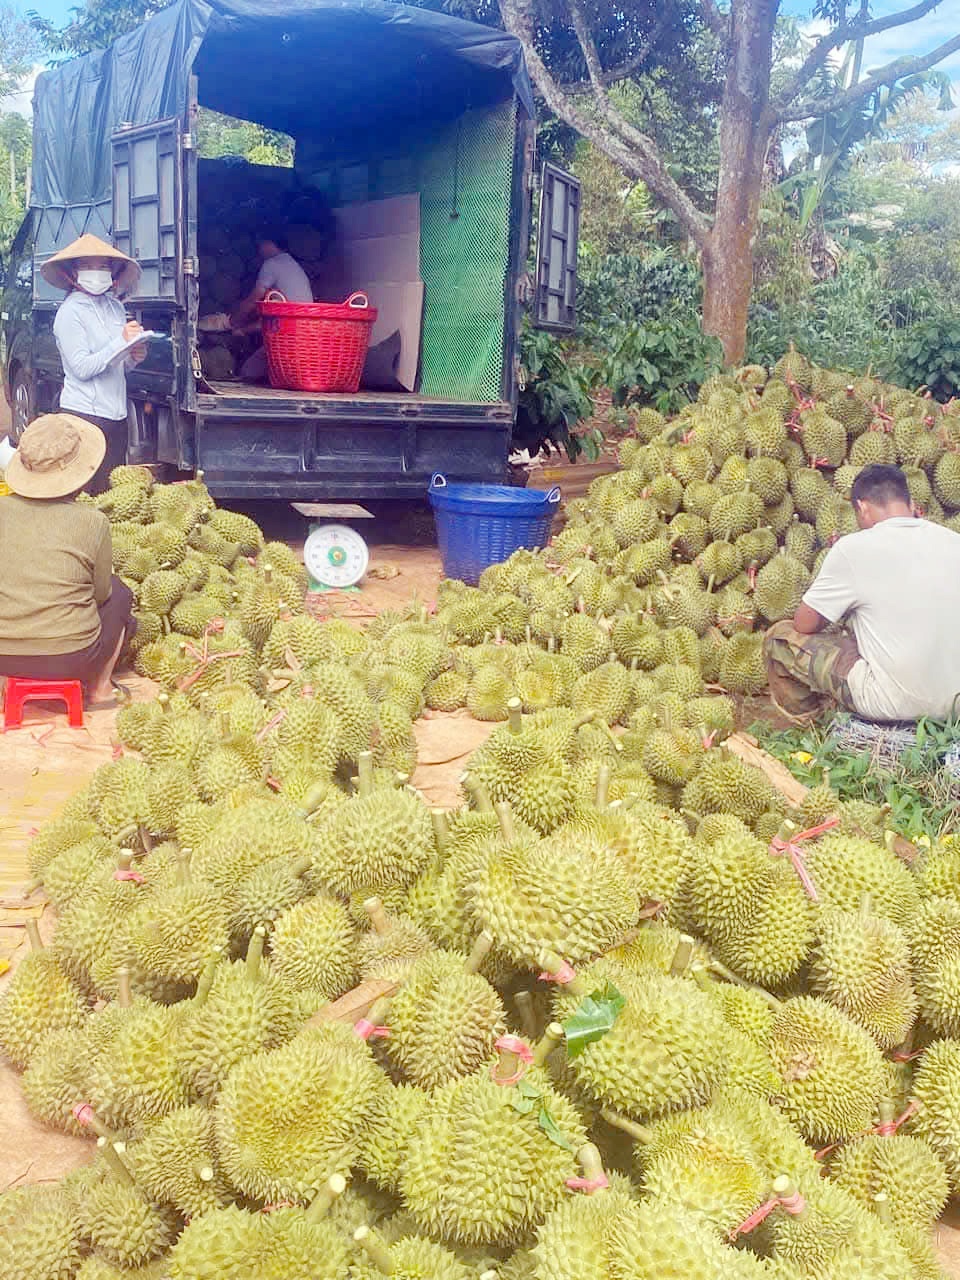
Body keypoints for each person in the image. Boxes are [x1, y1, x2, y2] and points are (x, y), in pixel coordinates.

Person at [764, 463, 960, 724]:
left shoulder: (853, 548)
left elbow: (804, 624)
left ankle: (813, 729)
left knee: (779, 639)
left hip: (894, 703)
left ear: (863, 507)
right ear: (911, 504)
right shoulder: (953, 541)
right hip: (956, 702)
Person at [0, 414, 136, 707]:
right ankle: (100, 690)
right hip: (71, 659)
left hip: (2, 655)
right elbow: (102, 594)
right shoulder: (93, 522)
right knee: (120, 592)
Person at [44, 233, 146, 494]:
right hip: (84, 415)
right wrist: (118, 342)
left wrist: (134, 356)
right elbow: (82, 368)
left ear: (113, 273)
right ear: (73, 273)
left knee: (110, 493)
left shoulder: (115, 308)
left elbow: (117, 365)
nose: (97, 272)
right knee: (83, 494)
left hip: (116, 415)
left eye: (103, 266)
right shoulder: (69, 313)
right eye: (88, 266)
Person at [230, 231, 313, 381]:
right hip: (306, 337)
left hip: (288, 339)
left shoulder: (272, 264)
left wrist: (235, 323)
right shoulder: (292, 265)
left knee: (248, 371)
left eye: (260, 245)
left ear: (269, 244)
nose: (259, 250)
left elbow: (254, 299)